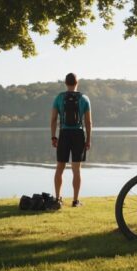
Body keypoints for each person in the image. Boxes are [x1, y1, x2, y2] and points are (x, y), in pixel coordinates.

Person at [50, 73, 92, 207]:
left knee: (59, 168)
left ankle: (57, 199)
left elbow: (53, 119)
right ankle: (75, 201)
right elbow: (88, 122)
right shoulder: (84, 99)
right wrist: (88, 139)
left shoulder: (59, 98)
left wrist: (53, 136)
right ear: (77, 82)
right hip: (78, 134)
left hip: (64, 133)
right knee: (76, 170)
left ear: (65, 83)